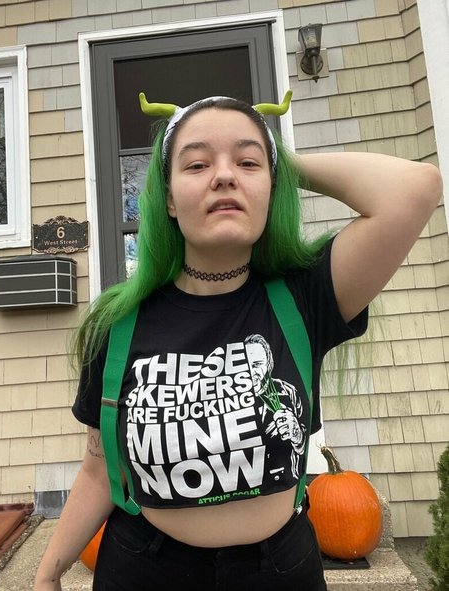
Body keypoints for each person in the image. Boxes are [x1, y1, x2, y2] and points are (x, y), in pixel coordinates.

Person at [34, 90, 442, 591]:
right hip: (143, 568)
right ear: (168, 198)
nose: (224, 175)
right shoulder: (116, 325)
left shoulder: (307, 296)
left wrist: (278, 157)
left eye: (248, 164)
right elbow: (100, 470)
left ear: (273, 187)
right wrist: (48, 573)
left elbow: (416, 187)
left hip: (281, 573)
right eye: (197, 164)